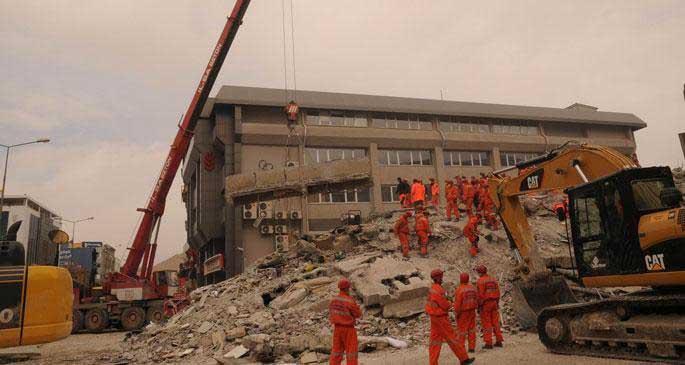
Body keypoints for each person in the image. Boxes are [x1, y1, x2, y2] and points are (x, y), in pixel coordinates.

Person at [426, 269, 474, 365]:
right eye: (441, 277)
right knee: (452, 338)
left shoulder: (432, 288)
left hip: (434, 317)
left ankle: (433, 363)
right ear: (439, 278)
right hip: (440, 318)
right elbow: (445, 305)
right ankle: (464, 359)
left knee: (435, 341)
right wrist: (450, 303)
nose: (442, 278)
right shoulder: (439, 290)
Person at [329, 278, 362, 365]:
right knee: (351, 353)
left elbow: (331, 313)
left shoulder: (333, 300)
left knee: (336, 352)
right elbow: (358, 314)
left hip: (337, 329)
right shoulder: (349, 300)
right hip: (349, 330)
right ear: (347, 288)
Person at [476, 265, 504, 349]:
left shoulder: (480, 281)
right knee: (495, 322)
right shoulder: (493, 280)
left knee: (486, 323)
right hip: (494, 303)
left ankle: (488, 343)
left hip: (486, 304)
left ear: (480, 272)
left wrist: (479, 306)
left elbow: (480, 295)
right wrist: (497, 303)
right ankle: (499, 340)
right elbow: (498, 292)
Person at [454, 272, 478, 353]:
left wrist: (456, 313)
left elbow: (457, 303)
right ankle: (472, 348)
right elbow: (476, 299)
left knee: (462, 331)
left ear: (460, 279)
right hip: (472, 311)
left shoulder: (459, 289)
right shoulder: (473, 288)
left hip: (463, 312)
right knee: (471, 330)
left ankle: (461, 347)